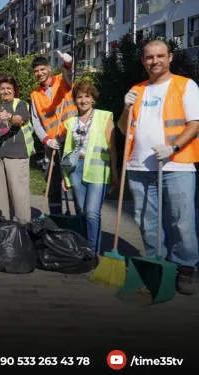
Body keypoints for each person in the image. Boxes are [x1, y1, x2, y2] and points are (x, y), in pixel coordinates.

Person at [119, 39, 199, 295]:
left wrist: (172, 148)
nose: (155, 61)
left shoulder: (185, 86)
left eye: (160, 56)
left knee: (180, 221)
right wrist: (125, 107)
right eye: (150, 57)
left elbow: (194, 123)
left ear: (170, 58)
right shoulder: (137, 90)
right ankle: (158, 264)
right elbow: (123, 128)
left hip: (177, 165)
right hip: (139, 167)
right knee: (147, 221)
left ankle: (185, 266)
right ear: (143, 61)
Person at [61, 82, 116, 258]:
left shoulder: (104, 116)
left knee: (92, 212)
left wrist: (114, 171)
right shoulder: (70, 122)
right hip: (76, 170)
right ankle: (84, 247)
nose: (83, 100)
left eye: (87, 96)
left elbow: (112, 146)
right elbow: (67, 152)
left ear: (93, 99)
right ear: (75, 100)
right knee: (82, 211)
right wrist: (65, 177)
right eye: (79, 97)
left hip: (98, 170)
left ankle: (92, 252)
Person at [29, 52, 76, 215]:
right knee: (53, 184)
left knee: (74, 182)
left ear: (49, 68)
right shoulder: (35, 95)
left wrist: (67, 64)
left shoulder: (63, 81)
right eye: (36, 71)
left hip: (71, 141)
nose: (39, 73)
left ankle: (79, 219)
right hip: (52, 144)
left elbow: (68, 74)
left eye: (42, 69)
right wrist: (46, 140)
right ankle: (56, 218)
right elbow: (36, 121)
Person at [0, 76, 35, 224]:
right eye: (2, 88)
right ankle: (5, 231)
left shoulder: (20, 104)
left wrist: (9, 116)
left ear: (14, 90)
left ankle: (24, 231)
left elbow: (19, 120)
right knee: (0, 198)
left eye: (9, 88)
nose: (5, 91)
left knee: (19, 196)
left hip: (16, 156)